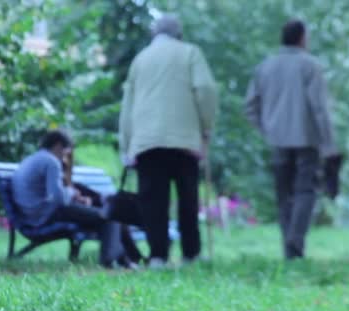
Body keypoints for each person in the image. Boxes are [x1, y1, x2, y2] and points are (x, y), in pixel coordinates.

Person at [119, 14, 217, 267]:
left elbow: (127, 108)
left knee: (153, 203)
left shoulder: (140, 59)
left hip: (147, 141)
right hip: (184, 139)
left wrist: (126, 146)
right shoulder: (190, 53)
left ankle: (158, 256)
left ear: (155, 35)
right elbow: (205, 90)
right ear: (179, 34)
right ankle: (190, 254)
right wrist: (206, 127)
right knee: (188, 199)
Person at [245, 20, 337, 259]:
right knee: (305, 191)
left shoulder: (266, 66)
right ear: (302, 37)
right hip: (307, 139)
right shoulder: (310, 65)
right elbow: (319, 108)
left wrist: (266, 129)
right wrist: (329, 144)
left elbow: (250, 106)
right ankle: (295, 242)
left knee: (283, 193)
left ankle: (290, 244)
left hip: (277, 139)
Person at [12, 130, 137, 269]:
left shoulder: (33, 159)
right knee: (110, 215)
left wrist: (72, 192)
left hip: (32, 214)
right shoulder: (51, 161)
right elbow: (58, 199)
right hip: (46, 214)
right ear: (59, 146)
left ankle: (125, 260)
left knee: (107, 216)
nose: (67, 156)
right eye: (68, 150)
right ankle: (112, 260)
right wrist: (72, 194)